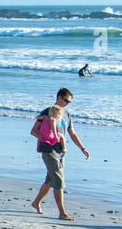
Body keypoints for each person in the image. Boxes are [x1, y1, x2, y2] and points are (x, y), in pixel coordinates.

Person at [29, 88, 89, 220]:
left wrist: (82, 148)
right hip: (49, 151)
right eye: (66, 100)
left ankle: (36, 202)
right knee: (59, 180)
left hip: (61, 152)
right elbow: (33, 131)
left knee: (50, 180)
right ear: (59, 98)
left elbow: (72, 133)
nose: (68, 104)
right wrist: (47, 140)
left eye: (69, 102)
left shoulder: (66, 114)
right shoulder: (48, 112)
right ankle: (62, 212)